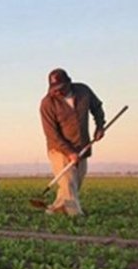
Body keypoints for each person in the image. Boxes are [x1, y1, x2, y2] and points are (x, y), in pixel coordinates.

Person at [39, 68, 105, 216]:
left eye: (61, 88)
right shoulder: (47, 103)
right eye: (54, 89)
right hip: (59, 149)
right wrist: (69, 152)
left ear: (69, 82)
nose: (58, 92)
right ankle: (76, 215)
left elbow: (97, 107)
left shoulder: (83, 91)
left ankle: (55, 209)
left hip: (82, 146)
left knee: (74, 184)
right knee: (68, 182)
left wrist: (100, 126)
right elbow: (52, 134)